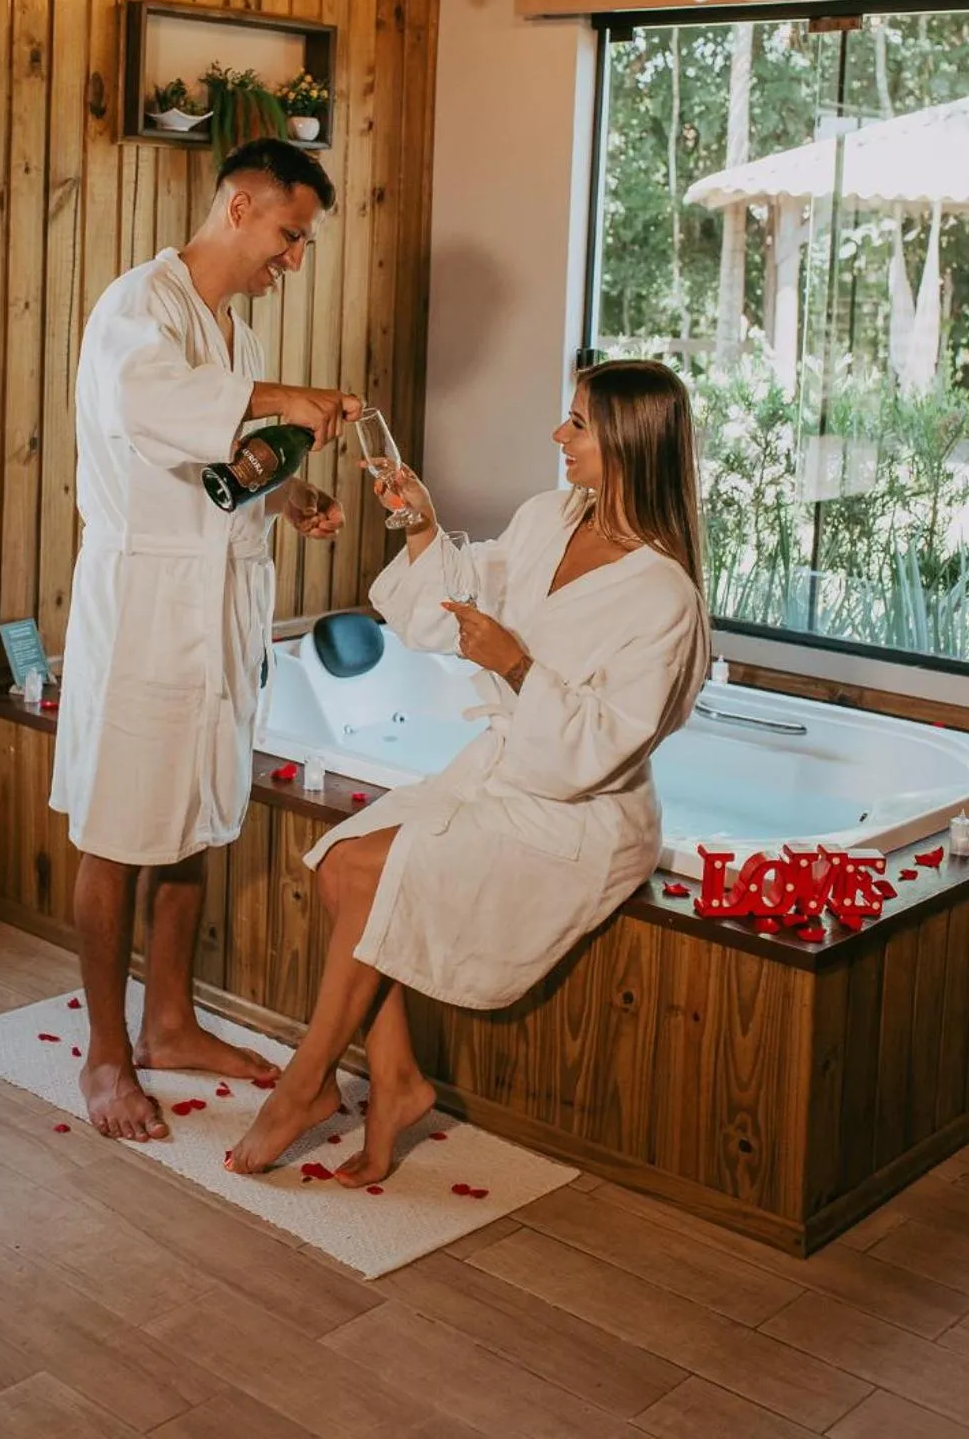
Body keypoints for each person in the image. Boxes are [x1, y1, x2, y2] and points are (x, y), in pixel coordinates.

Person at [227, 358, 709, 1185]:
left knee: (366, 872)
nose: (559, 435)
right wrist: (421, 527)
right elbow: (456, 609)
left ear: (629, 442)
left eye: (579, 425)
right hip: (500, 770)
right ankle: (399, 1081)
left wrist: (520, 667)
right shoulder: (550, 517)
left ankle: (303, 1086)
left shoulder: (663, 597)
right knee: (344, 866)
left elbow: (602, 746)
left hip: (579, 812)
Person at [52, 138, 362, 1142]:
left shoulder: (234, 333)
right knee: (117, 823)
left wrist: (293, 489)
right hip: (144, 598)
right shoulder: (137, 309)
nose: (295, 257)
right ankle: (106, 1049)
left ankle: (171, 1020)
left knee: (189, 817)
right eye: (290, 233)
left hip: (217, 598)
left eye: (303, 240)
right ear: (238, 206)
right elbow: (156, 406)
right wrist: (287, 402)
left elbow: (223, 465)